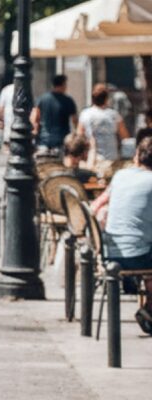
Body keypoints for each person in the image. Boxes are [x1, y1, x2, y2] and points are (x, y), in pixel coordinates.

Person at [101, 136, 152, 334]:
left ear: (137, 156)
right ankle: (149, 309)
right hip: (137, 257)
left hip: (110, 255)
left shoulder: (120, 175)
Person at [76, 83, 130, 167]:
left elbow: (79, 136)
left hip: (93, 160)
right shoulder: (114, 115)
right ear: (106, 99)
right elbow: (125, 136)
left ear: (92, 98)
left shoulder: (85, 114)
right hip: (111, 160)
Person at [31, 74, 78, 154]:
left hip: (43, 140)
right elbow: (74, 120)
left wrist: (35, 130)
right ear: (63, 85)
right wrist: (76, 134)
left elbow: (35, 117)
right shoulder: (68, 101)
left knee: (43, 161)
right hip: (61, 141)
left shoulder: (42, 99)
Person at [0, 82, 15, 153]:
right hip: (17, 118)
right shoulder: (25, 88)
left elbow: (1, 107)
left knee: (7, 140)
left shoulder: (6, 89)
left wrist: (0, 120)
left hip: (8, 118)